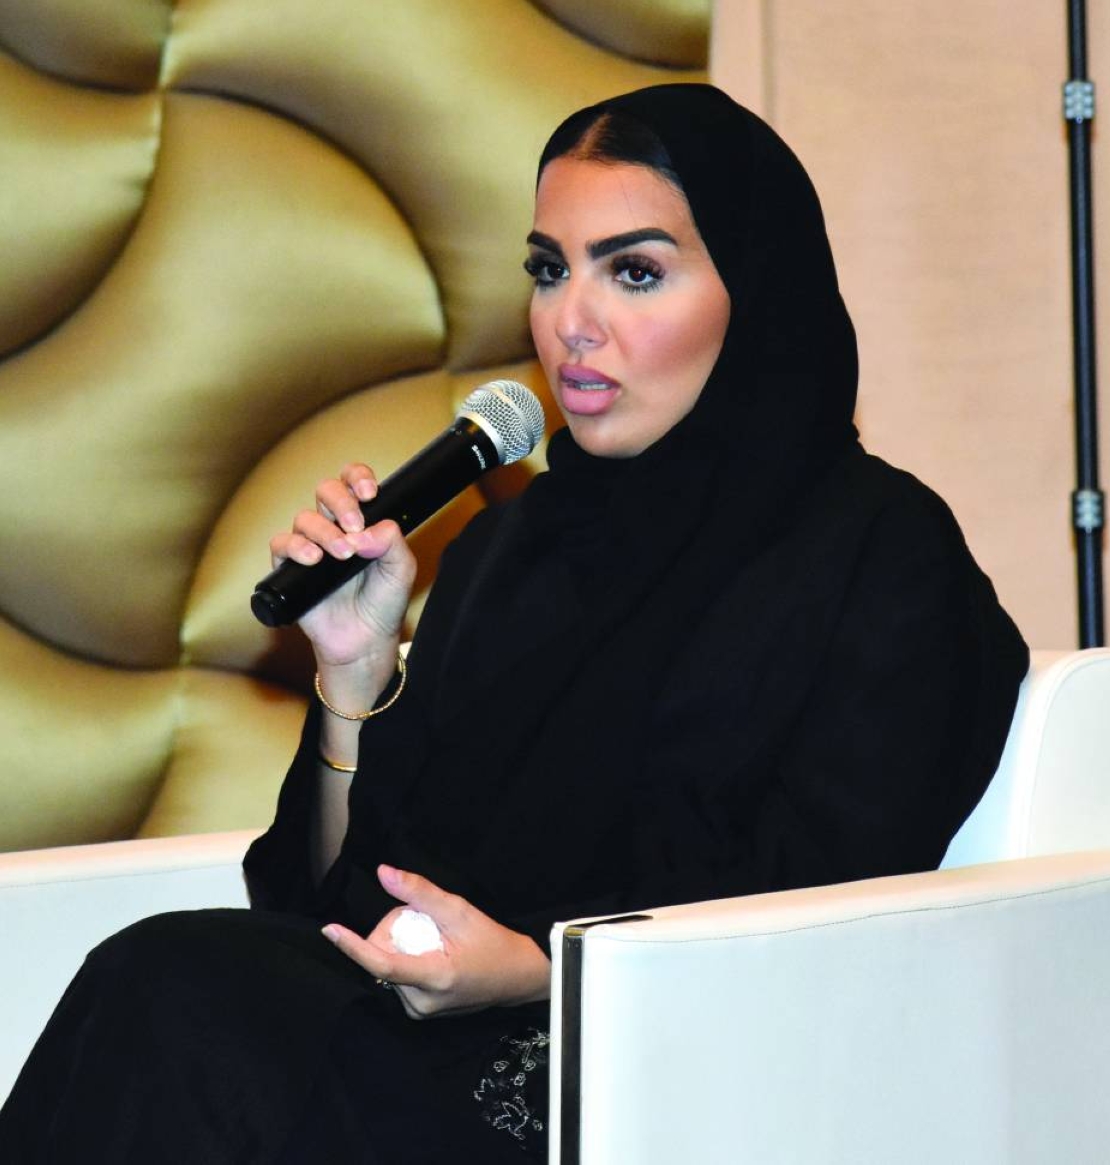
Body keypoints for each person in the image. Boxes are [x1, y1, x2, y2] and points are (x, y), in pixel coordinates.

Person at [0, 83, 1028, 1162]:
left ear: (756, 289)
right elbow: (332, 908)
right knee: (172, 982)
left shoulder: (882, 554)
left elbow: (836, 908)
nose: (570, 322)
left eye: (634, 272)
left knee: (179, 996)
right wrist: (352, 683)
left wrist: (541, 967)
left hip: (666, 1091)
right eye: (549, 269)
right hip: (415, 1052)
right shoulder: (511, 549)